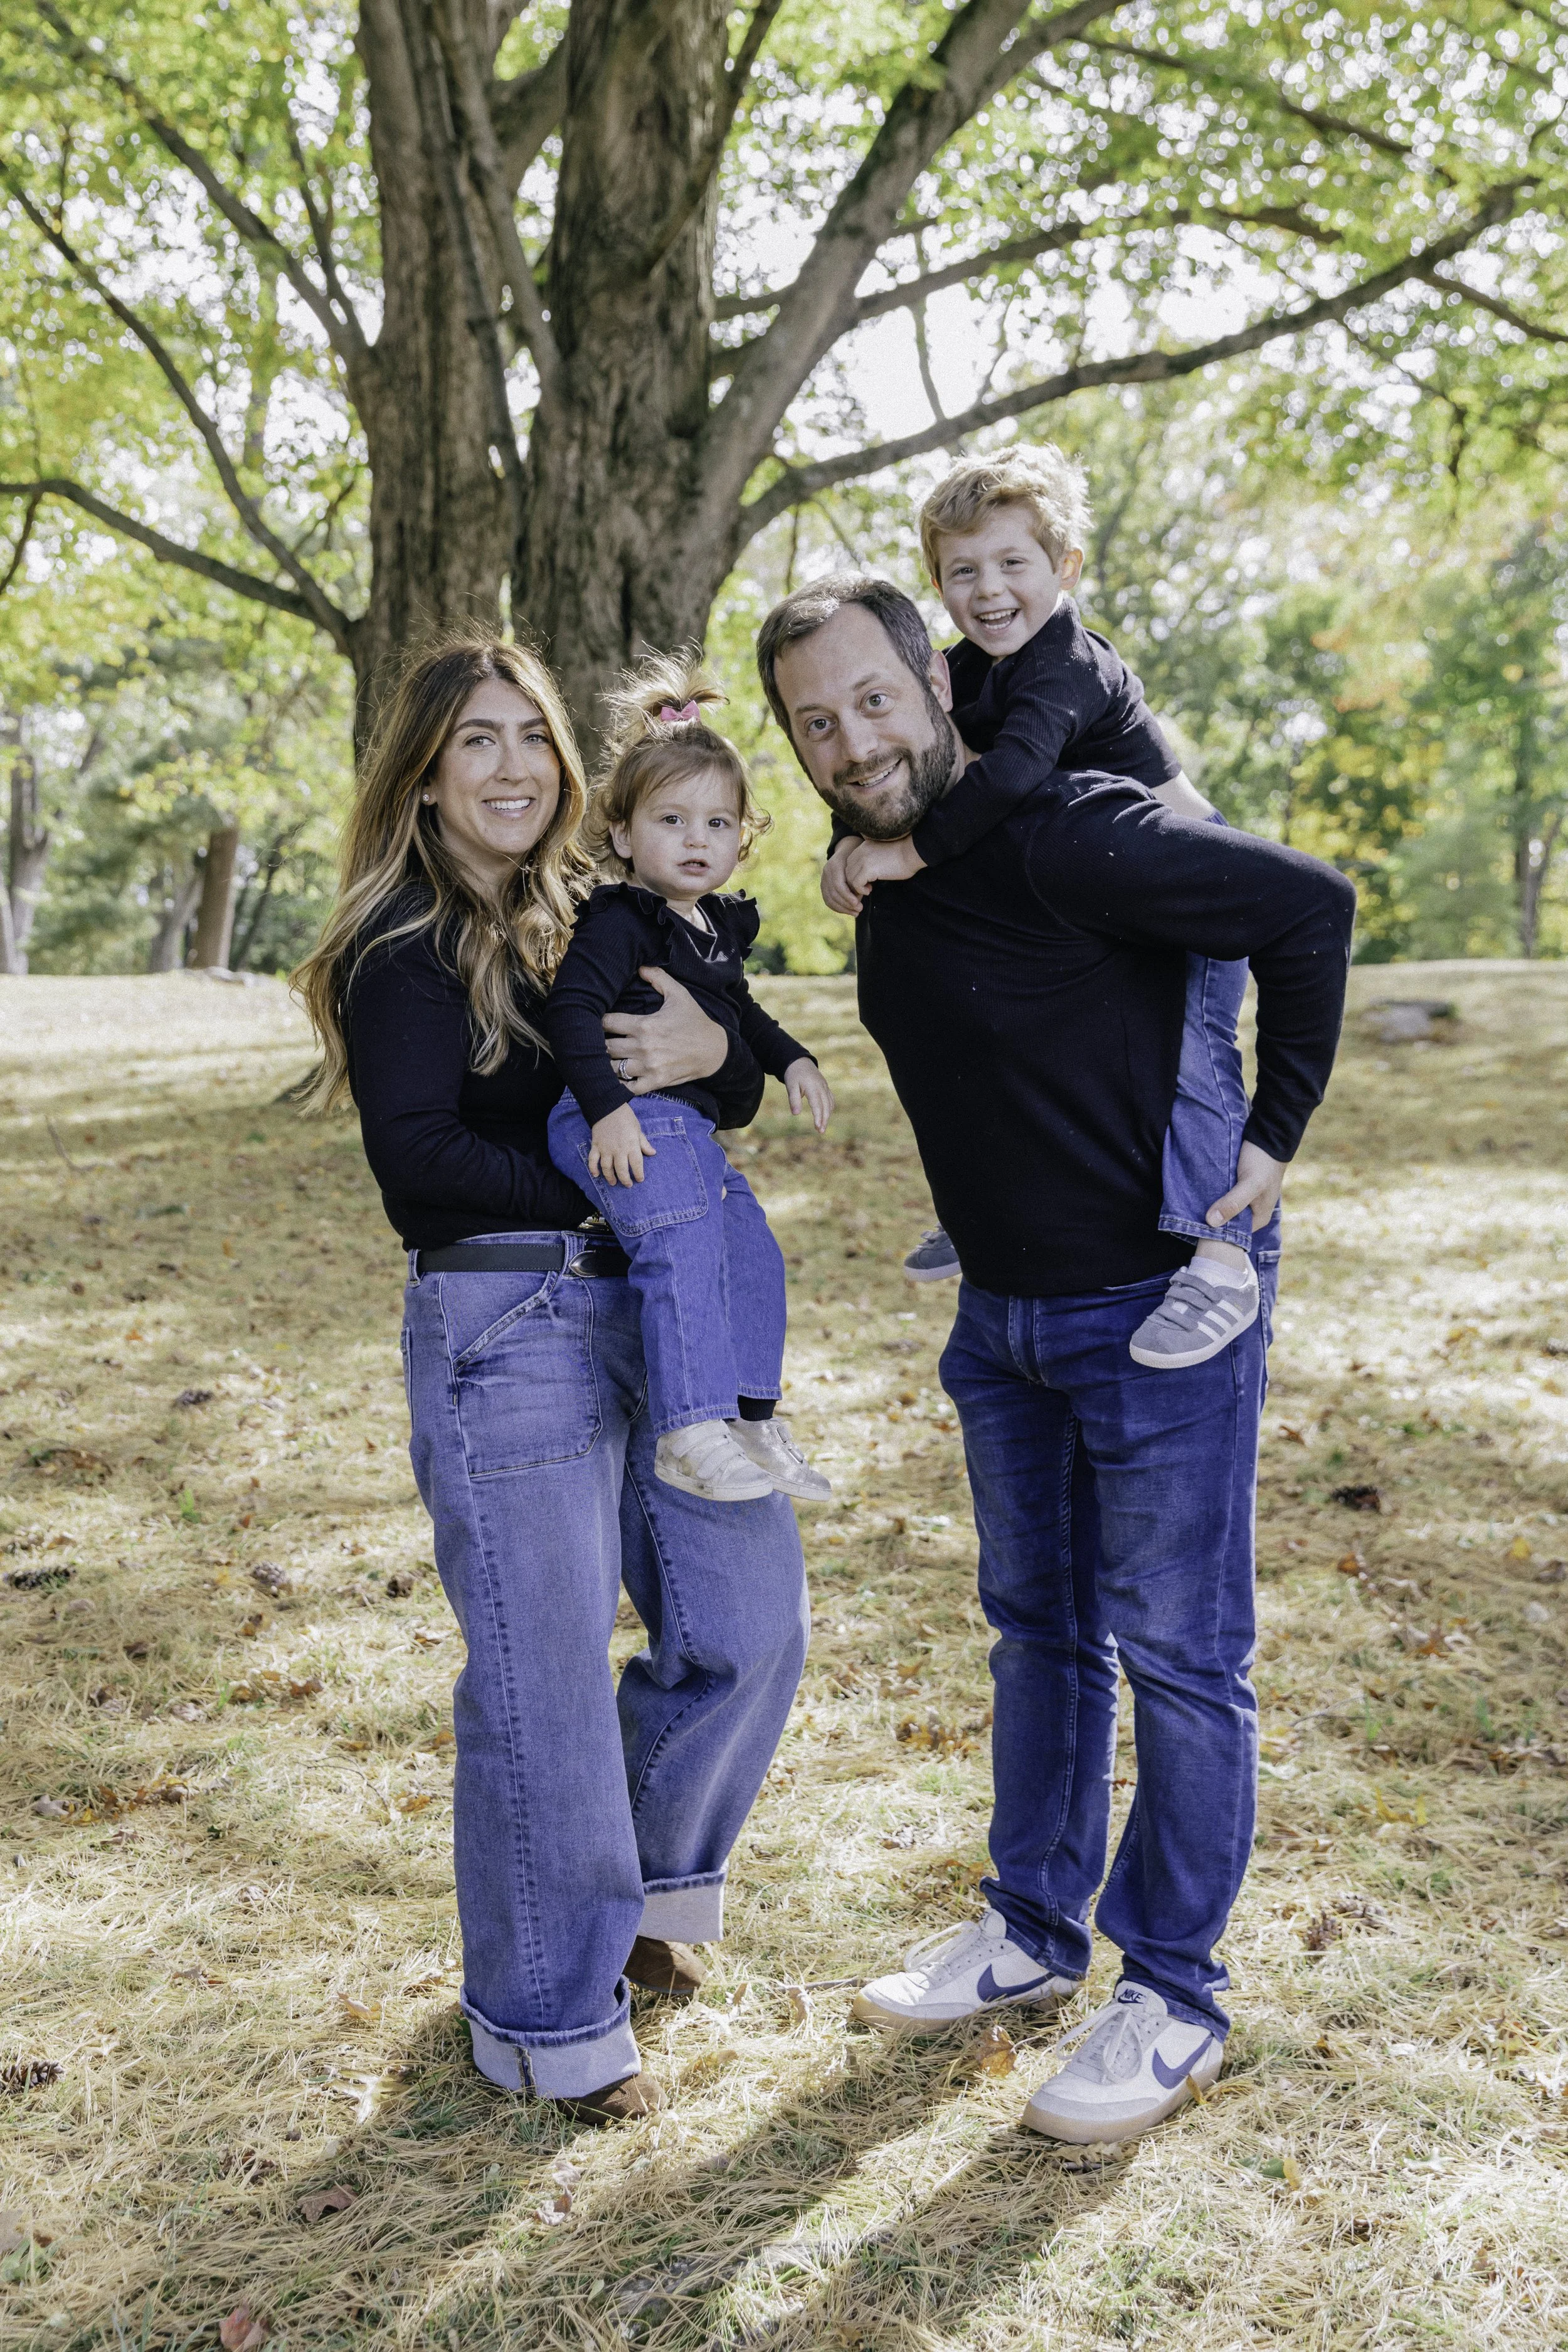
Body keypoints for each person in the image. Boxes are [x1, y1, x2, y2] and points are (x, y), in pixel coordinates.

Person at [756, 575, 1355, 2144]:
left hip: (1155, 1312)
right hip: (1001, 1322)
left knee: (1176, 1654)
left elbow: (1308, 906)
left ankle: (1171, 1992)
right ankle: (1029, 1930)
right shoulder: (888, 875)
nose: (850, 740)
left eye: (873, 700)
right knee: (1037, 1631)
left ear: (940, 686)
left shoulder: (1075, 826)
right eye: (815, 723)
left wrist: (1272, 1141)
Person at [295, 631, 810, 2124]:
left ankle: (645, 1891)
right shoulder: (400, 943)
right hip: (504, 1322)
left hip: (658, 1317)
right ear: (424, 775)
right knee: (544, 1686)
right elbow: (418, 1165)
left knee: (748, 1616)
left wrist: (714, 1058)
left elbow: (696, 1088)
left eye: (532, 737)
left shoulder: (595, 915)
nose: (513, 765)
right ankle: (545, 2018)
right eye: (476, 742)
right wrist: (606, 1174)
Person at [821, 447, 1264, 1372]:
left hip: (1197, 894)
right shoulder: (961, 669)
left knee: (1199, 1069)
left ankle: (1220, 1255)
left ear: (1063, 570)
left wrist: (907, 851)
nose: (987, 591)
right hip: (1100, 899)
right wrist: (847, 845)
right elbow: (897, 748)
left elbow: (1017, 772)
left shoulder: (1068, 664)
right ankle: (983, 1205)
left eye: (1012, 564)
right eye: (961, 571)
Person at [544, 656, 834, 1505]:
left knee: (751, 1251)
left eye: (717, 821)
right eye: (672, 819)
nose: (697, 838)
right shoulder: (620, 918)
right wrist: (606, 1113)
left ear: (741, 835)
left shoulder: (711, 929)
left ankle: (748, 1416)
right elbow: (571, 1014)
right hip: (616, 1114)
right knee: (683, 1249)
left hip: (686, 1132)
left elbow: (742, 1018)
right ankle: (688, 1430)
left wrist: (795, 1060)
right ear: (627, 834)